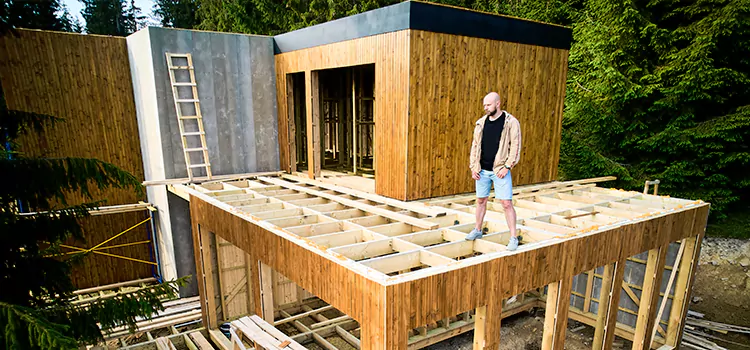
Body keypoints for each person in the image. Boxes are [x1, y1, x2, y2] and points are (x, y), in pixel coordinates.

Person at [466, 92, 522, 251]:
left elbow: (515, 147)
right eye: (484, 105)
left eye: (488, 105)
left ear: (498, 104)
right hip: (482, 170)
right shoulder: (481, 123)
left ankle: (513, 237)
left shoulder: (510, 122)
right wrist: (473, 167)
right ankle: (477, 230)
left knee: (506, 203)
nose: (485, 108)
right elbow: (474, 146)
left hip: (499, 171)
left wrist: (507, 167)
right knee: (480, 201)